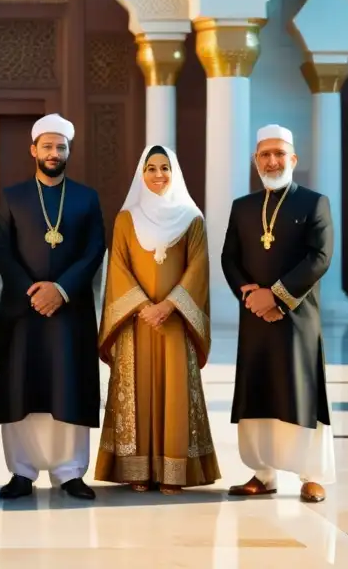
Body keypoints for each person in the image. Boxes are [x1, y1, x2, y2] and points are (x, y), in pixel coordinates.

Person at [0, 113, 106, 500]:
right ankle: (21, 471)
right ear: (33, 149)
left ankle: (70, 472)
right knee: (23, 388)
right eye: (48, 146)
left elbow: (93, 250)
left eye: (61, 147)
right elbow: (1, 248)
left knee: (69, 387)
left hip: (71, 310)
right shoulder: (12, 196)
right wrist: (33, 292)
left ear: (69, 151)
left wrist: (63, 289)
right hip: (24, 310)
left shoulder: (87, 197)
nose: (54, 153)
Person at [95, 145, 220, 493]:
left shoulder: (192, 218)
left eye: (165, 167)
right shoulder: (126, 218)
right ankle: (136, 470)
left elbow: (198, 269)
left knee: (175, 392)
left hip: (175, 321)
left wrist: (168, 306)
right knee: (137, 390)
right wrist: (141, 306)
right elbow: (117, 266)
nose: (158, 174)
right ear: (141, 173)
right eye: (151, 168)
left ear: (174, 172)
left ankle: (174, 472)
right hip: (136, 323)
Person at [221, 124, 335, 503]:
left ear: (293, 159)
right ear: (256, 161)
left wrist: (279, 296)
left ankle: (310, 475)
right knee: (259, 390)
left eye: (279, 154)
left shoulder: (314, 203)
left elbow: (319, 258)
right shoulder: (243, 207)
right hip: (255, 318)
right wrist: (251, 295)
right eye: (265, 155)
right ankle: (262, 473)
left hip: (298, 318)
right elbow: (229, 258)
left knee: (299, 391)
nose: (272, 161)